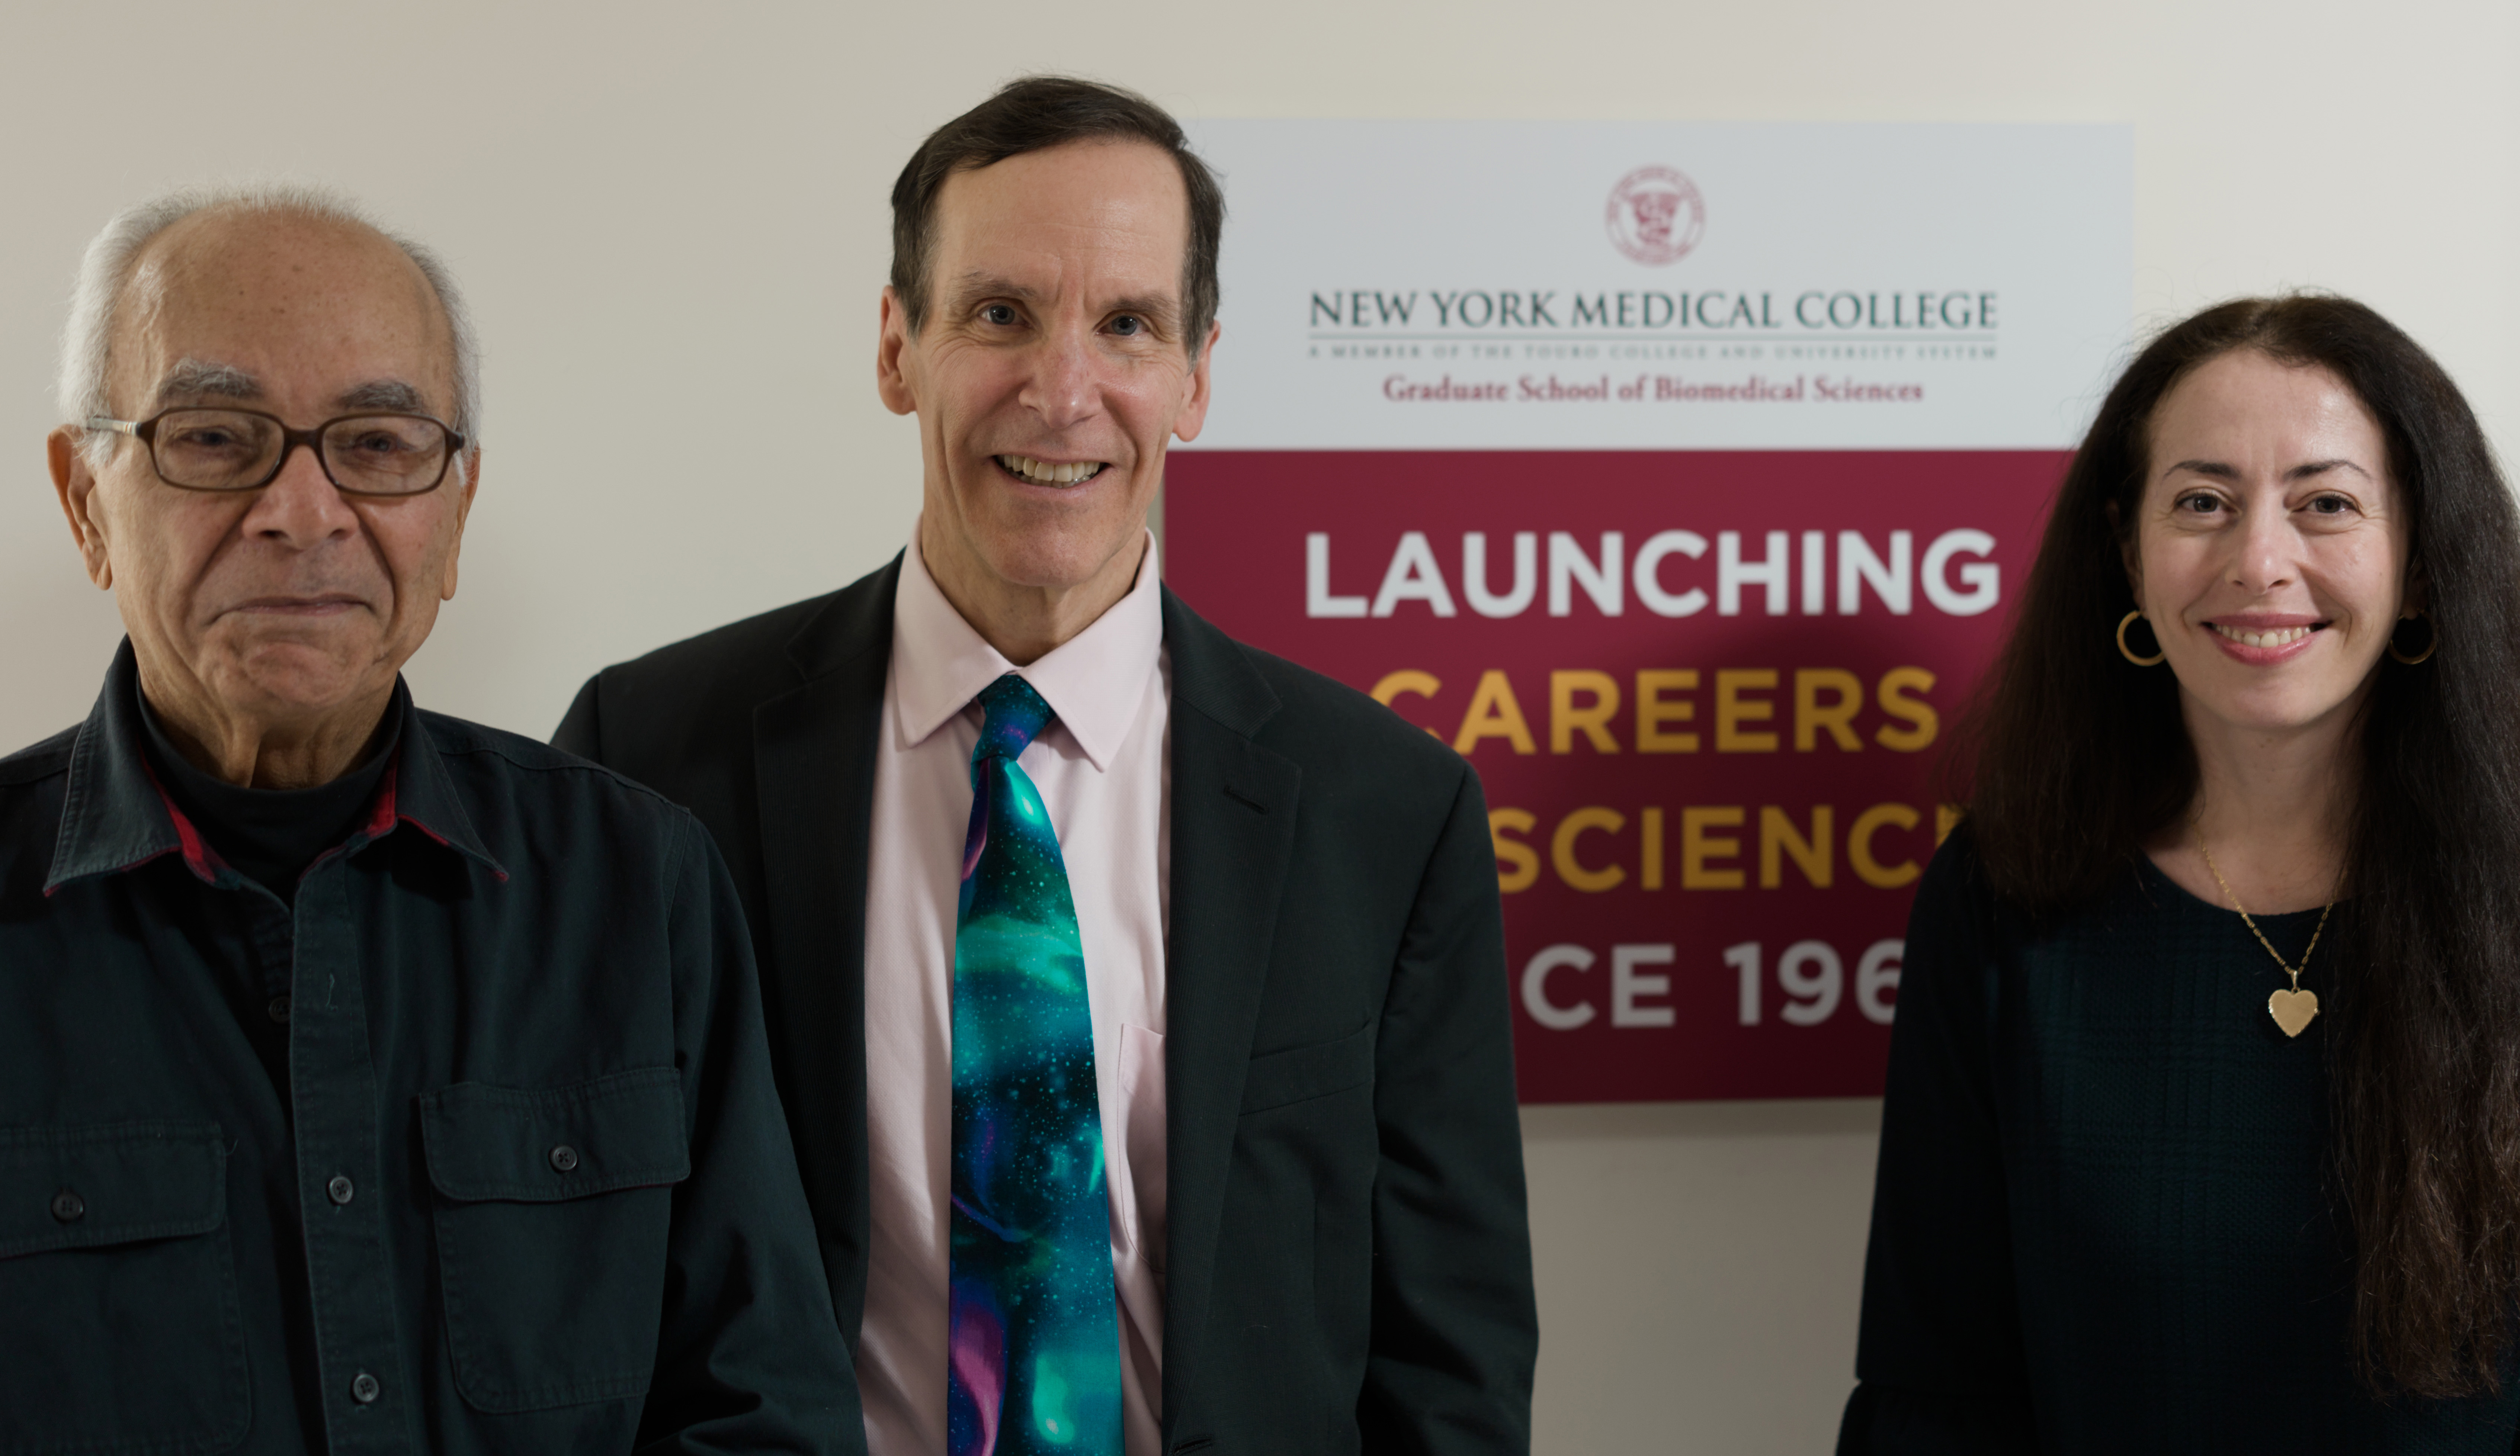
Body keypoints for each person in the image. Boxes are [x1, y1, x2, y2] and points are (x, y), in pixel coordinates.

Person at [554, 76, 1537, 1456]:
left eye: (1127, 325)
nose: (1062, 391)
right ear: (897, 347)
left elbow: (1455, 1363)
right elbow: (579, 1290)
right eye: (1000, 313)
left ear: (1196, 377)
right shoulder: (653, 760)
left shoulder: (1386, 812)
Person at [7, 186, 857, 1453]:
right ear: (87, 499)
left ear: (453, 514)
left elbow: (764, 1412)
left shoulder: (638, 887)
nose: (303, 511)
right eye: (216, 436)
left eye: (379, 444)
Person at [1840, 294, 2520, 1451]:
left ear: (2419, 563)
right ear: (2125, 549)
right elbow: (1937, 1385)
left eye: (2328, 505)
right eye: (2202, 502)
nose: (2260, 561)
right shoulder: (2004, 896)